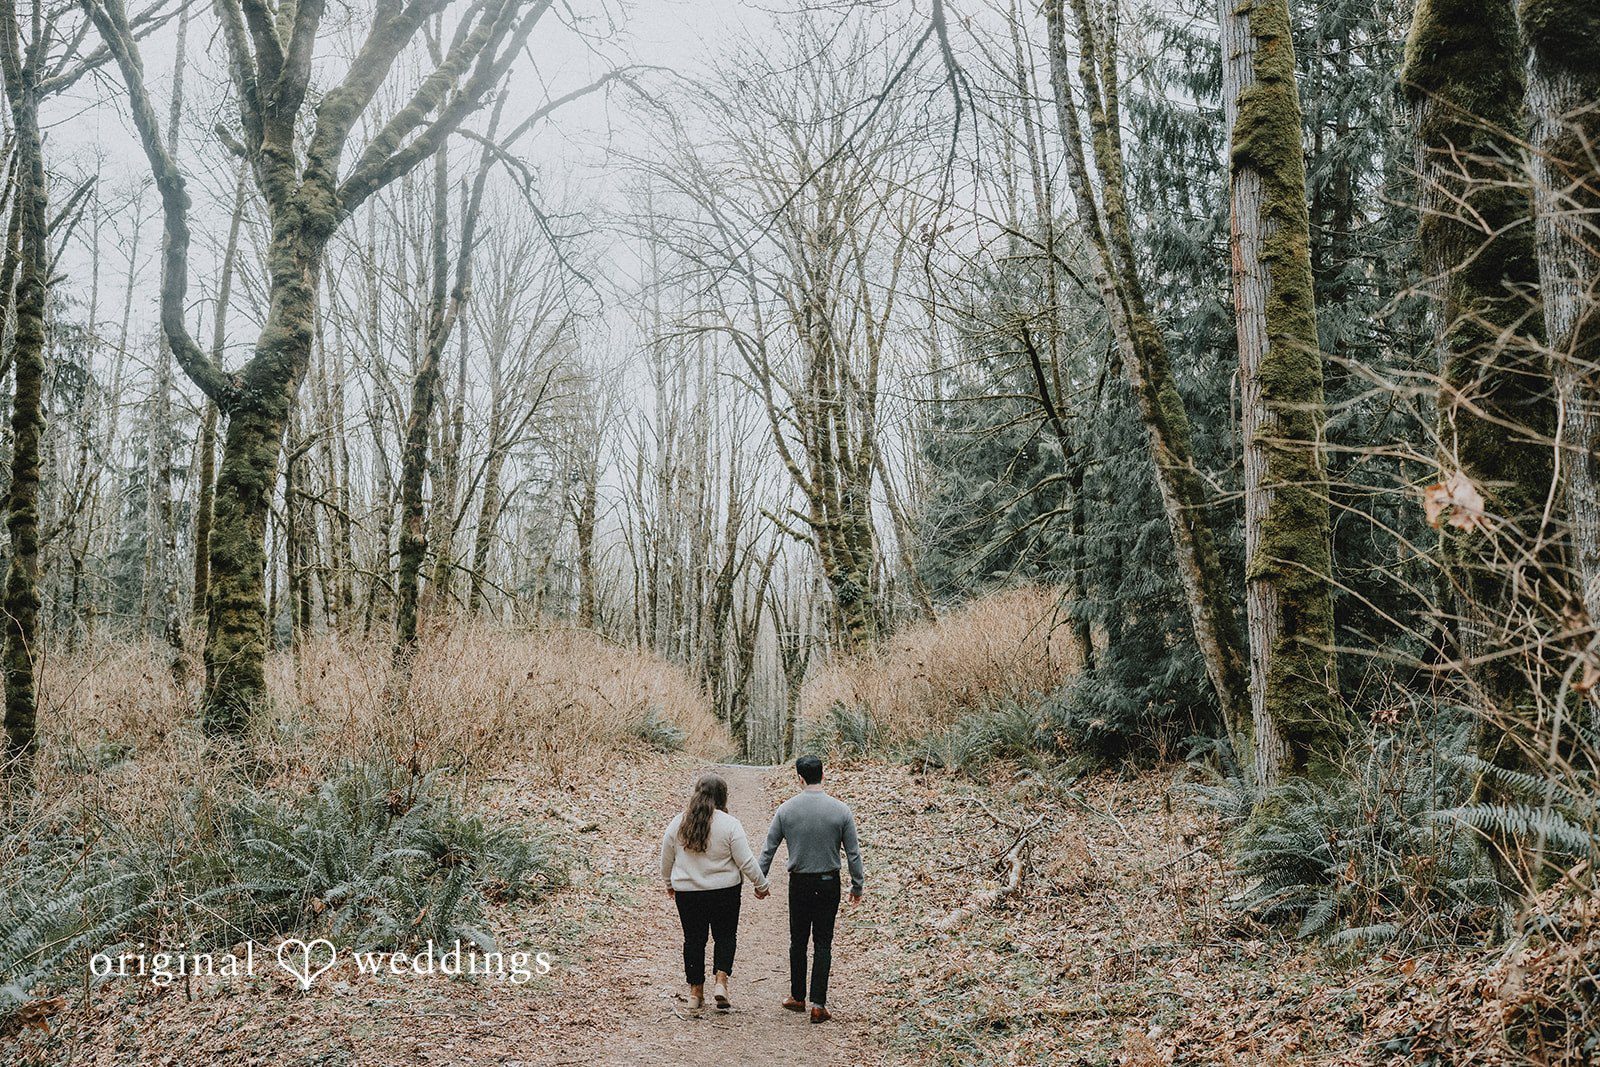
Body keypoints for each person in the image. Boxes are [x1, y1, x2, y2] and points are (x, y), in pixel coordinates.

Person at [758, 755, 865, 1024]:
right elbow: (853, 853)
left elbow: (768, 849)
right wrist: (857, 885)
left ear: (799, 778)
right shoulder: (841, 810)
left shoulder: (786, 810)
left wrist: (760, 881)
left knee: (798, 940)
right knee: (823, 942)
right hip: (829, 882)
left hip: (800, 883)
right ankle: (819, 1004)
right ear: (823, 775)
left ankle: (797, 996)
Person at [661, 772, 770, 1011]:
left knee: (693, 940)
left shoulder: (679, 822)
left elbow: (666, 858)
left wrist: (669, 883)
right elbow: (746, 861)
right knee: (725, 936)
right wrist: (761, 885)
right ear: (723, 796)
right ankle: (721, 981)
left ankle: (695, 992)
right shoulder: (730, 824)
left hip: (688, 893)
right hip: (725, 892)